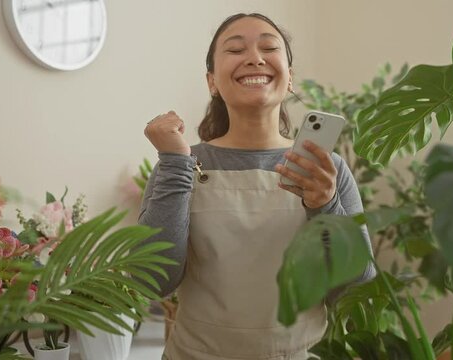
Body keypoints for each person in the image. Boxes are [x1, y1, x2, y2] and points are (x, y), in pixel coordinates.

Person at [139, 13, 374, 360]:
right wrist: (175, 164)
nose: (254, 58)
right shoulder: (179, 163)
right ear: (212, 81)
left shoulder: (327, 169)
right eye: (235, 50)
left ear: (290, 77)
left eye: (269, 47)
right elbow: (154, 282)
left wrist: (326, 205)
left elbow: (357, 289)